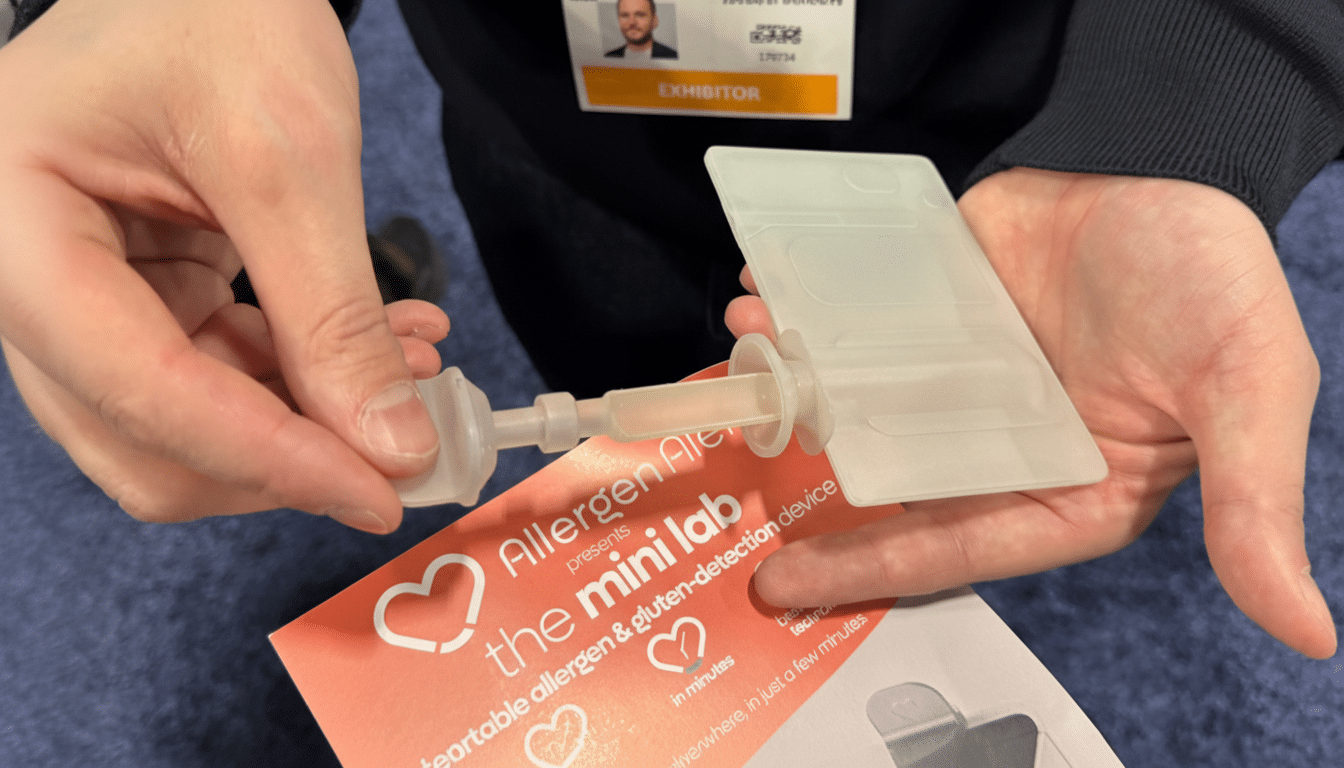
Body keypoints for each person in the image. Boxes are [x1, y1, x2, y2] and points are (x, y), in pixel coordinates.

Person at [0, 0, 1339, 665]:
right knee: (617, 366)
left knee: (919, 478)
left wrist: (1208, 88)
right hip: (565, 140)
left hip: (999, 149)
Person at [604, 0, 677, 59]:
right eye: (625, 15)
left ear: (654, 21)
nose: (632, 22)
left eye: (640, 15)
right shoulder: (609, 56)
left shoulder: (672, 56)